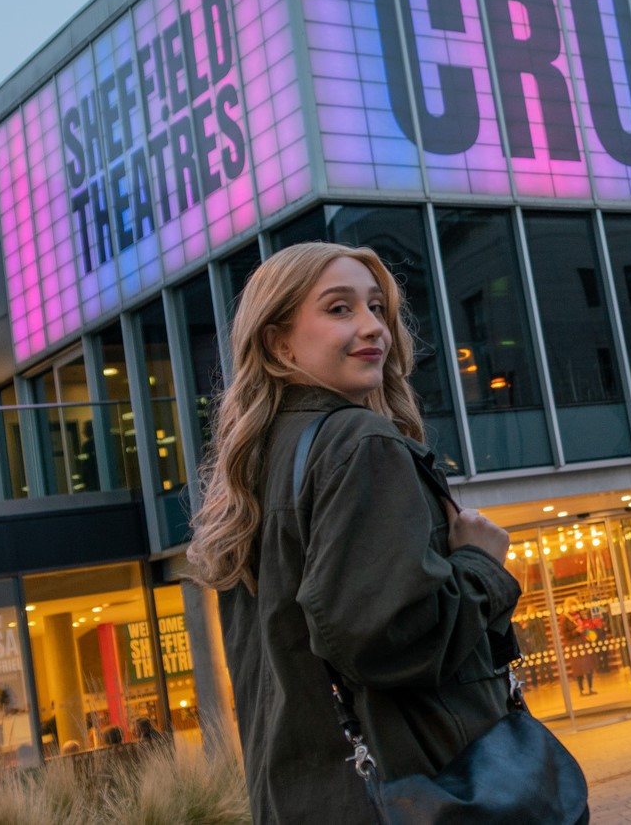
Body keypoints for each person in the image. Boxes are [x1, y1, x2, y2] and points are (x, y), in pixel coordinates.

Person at [187, 243, 522, 824]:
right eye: (339, 309)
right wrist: (483, 568)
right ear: (277, 341)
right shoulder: (359, 443)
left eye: (376, 307)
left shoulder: (254, 467)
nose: (373, 328)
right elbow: (390, 639)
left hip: (303, 796)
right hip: (408, 796)